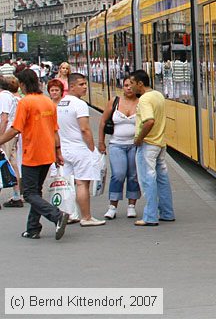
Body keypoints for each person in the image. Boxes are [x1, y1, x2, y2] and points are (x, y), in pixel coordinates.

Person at [0, 69, 69, 240]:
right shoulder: (47, 102)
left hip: (32, 153)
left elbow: (16, 129)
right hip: (47, 153)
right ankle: (32, 228)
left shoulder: (25, 102)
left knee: (29, 193)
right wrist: (58, 151)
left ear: (23, 84)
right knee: (36, 191)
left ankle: (56, 215)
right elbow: (55, 130)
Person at [57, 73, 105, 226]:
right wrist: (92, 149)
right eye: (81, 84)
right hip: (80, 149)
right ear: (71, 86)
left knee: (68, 184)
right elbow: (85, 129)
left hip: (65, 149)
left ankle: (70, 214)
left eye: (85, 84)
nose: (85, 87)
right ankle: (86, 217)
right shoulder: (80, 104)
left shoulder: (61, 103)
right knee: (82, 183)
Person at [130, 70, 174, 226]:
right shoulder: (158, 95)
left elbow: (149, 121)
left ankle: (150, 216)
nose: (130, 87)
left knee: (148, 180)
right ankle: (167, 213)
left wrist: (139, 138)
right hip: (161, 143)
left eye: (132, 83)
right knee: (162, 179)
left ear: (140, 84)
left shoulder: (144, 99)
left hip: (148, 144)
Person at [98, 77, 140, 219]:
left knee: (133, 176)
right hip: (116, 144)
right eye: (126, 85)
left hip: (134, 145)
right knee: (118, 174)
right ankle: (112, 207)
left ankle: (131, 206)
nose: (128, 88)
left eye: (131, 85)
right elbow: (103, 121)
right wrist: (101, 142)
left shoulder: (141, 103)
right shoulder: (114, 101)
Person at [0, 76, 23, 207]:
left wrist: (0, 136)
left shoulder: (3, 97)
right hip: (12, 134)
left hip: (7, 135)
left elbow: (4, 118)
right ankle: (16, 196)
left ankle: (16, 196)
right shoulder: (11, 96)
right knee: (12, 164)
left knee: (1, 163)